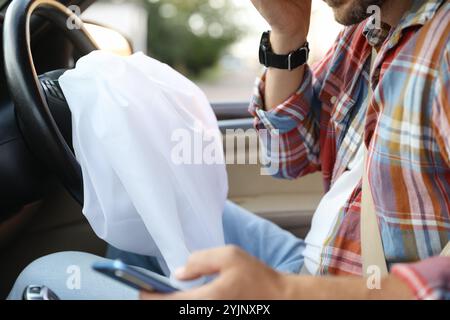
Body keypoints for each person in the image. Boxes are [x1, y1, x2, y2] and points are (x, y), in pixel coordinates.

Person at [8, 0, 450, 300]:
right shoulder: (367, 33)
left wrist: (281, 292)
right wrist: (286, 31)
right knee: (152, 195)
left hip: (345, 289)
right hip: (316, 263)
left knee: (45, 277)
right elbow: (287, 153)